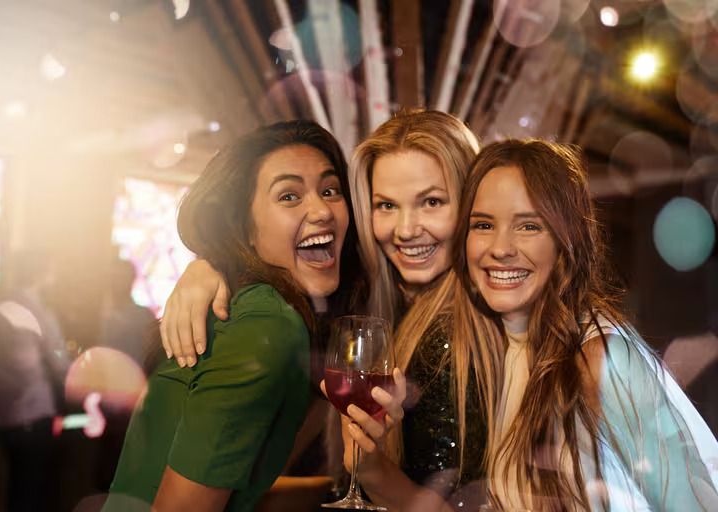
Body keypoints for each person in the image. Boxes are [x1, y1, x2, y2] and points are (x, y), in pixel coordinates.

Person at [159, 110, 503, 510]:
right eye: (386, 205)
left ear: (472, 204)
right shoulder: (370, 306)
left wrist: (372, 471)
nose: (406, 229)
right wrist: (211, 264)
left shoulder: (465, 331)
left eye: (431, 202)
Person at [103, 120, 385, 512]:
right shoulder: (267, 325)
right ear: (247, 230)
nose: (321, 210)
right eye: (289, 196)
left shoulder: (280, 317)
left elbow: (242, 493)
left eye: (329, 190)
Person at [457, 139, 718, 510]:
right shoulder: (504, 348)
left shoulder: (600, 358)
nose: (500, 247)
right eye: (483, 224)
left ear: (566, 241)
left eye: (528, 226)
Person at [0, 250, 68, 512]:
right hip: (32, 412)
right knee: (31, 492)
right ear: (42, 274)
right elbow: (60, 363)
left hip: (1, 412)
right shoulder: (38, 312)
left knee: (14, 488)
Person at [98, 257, 157, 367]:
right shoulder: (98, 316)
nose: (116, 282)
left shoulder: (144, 316)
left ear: (131, 279)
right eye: (113, 277)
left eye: (121, 277)